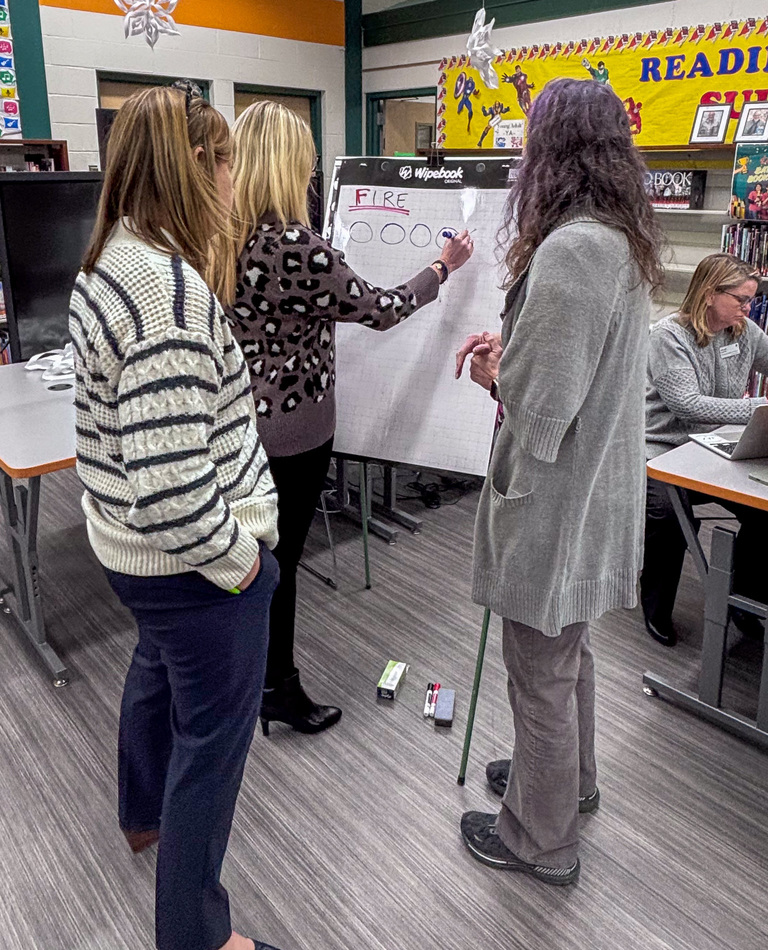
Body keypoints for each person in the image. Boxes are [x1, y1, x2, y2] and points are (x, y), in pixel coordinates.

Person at [71, 85, 290, 950]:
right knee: (214, 743)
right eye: (230, 164)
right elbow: (173, 494)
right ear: (199, 170)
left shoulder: (110, 260)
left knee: (155, 675)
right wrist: (246, 563)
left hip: (134, 553)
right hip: (193, 563)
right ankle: (195, 933)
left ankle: (140, 815)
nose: (240, 184)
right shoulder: (166, 295)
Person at [455, 78, 663, 885]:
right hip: (589, 494)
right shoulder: (618, 238)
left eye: (528, 139)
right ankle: (567, 786)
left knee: (539, 673)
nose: (519, 154)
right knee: (565, 658)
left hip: (556, 502)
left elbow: (539, 414)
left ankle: (538, 841)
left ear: (555, 150)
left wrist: (489, 371)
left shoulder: (577, 248)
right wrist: (517, 353)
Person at [228, 100, 473, 736]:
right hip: (293, 431)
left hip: (238, 424)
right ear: (288, 163)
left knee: (251, 558)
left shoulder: (216, 235)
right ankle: (276, 686)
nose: (312, 169)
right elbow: (383, 308)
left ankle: (244, 677)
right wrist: (442, 267)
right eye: (306, 157)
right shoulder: (290, 245)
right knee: (278, 564)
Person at [642, 253, 768, 646]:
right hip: (660, 452)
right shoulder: (669, 335)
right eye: (741, 299)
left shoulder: (744, 332)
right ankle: (656, 610)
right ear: (711, 294)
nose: (749, 309)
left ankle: (743, 603)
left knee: (763, 513)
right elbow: (688, 404)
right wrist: (756, 408)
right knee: (670, 517)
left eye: (751, 299)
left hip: (714, 449)